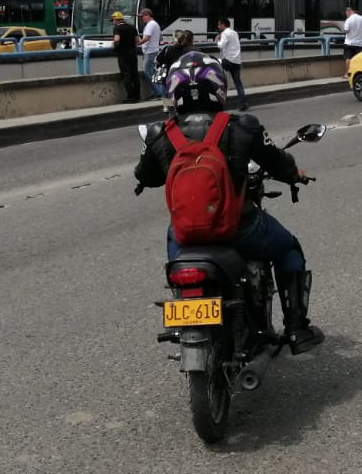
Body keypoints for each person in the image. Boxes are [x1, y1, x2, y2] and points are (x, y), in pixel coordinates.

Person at [134, 53, 323, 353]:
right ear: (219, 88)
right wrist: (294, 174)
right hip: (240, 226)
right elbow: (277, 163)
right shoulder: (242, 126)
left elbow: (144, 176)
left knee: (176, 263)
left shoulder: (161, 134)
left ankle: (187, 308)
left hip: (184, 234)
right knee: (289, 247)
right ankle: (297, 328)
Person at [215, 16, 248, 110]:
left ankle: (217, 101)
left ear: (223, 25)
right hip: (237, 61)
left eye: (219, 24)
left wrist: (217, 40)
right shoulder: (234, 32)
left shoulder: (225, 33)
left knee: (214, 65)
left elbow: (221, 46)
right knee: (238, 83)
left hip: (228, 60)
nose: (218, 26)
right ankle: (244, 103)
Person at [110, 10, 141, 103]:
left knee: (126, 74)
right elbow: (138, 40)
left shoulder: (117, 28)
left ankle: (130, 96)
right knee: (135, 74)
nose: (113, 22)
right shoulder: (132, 27)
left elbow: (117, 40)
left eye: (113, 20)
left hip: (123, 54)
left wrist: (115, 47)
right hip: (133, 53)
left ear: (117, 20)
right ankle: (137, 96)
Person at [137, 8, 163, 97]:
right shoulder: (155, 24)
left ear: (147, 15)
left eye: (142, 16)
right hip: (152, 50)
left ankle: (158, 92)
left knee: (147, 72)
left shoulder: (150, 25)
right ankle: (158, 91)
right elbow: (160, 38)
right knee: (151, 72)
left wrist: (137, 43)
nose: (141, 19)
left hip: (150, 51)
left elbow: (147, 38)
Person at [341, 4, 362, 71]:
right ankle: (355, 72)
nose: (346, 13)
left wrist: (342, 30)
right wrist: (359, 31)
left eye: (346, 11)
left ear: (350, 11)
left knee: (348, 58)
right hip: (359, 43)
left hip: (349, 43)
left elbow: (346, 30)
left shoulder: (348, 20)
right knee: (357, 59)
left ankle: (347, 74)